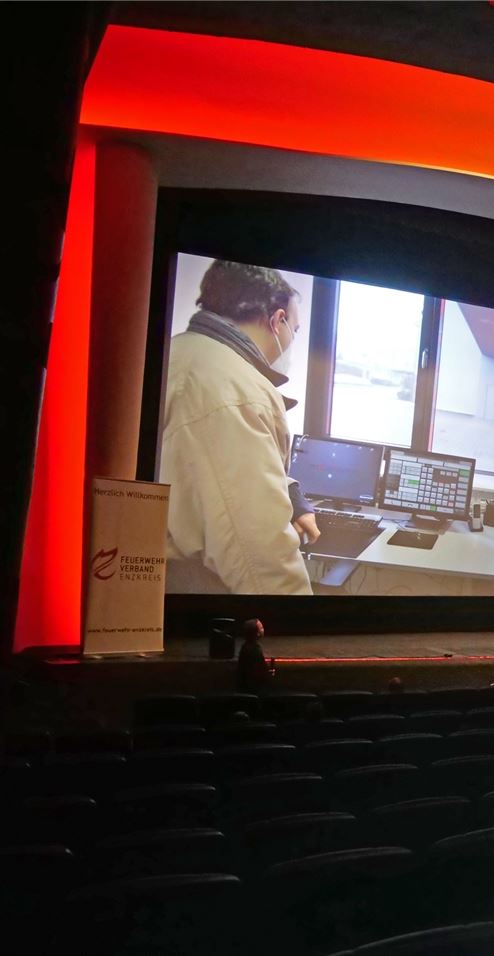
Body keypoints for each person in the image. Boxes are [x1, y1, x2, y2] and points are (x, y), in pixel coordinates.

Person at [161, 259, 319, 594]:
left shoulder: (180, 354)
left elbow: (212, 472)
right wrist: (300, 619)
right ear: (277, 321)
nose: (292, 341)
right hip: (196, 597)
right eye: (295, 330)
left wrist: (291, 496)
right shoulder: (233, 392)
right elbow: (260, 559)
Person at [237, 618, 274, 690]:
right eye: (261, 628)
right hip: (254, 689)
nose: (263, 629)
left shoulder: (245, 646)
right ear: (257, 633)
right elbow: (258, 674)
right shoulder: (254, 650)